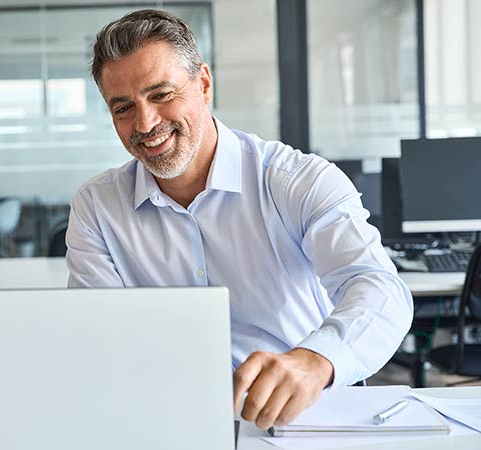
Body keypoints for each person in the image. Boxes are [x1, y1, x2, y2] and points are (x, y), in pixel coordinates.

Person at [66, 9, 413, 430]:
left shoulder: (295, 180)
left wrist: (315, 361)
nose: (145, 123)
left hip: (300, 420)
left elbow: (379, 287)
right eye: (123, 108)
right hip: (169, 421)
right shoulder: (97, 207)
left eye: (161, 95)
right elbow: (99, 336)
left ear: (204, 84)